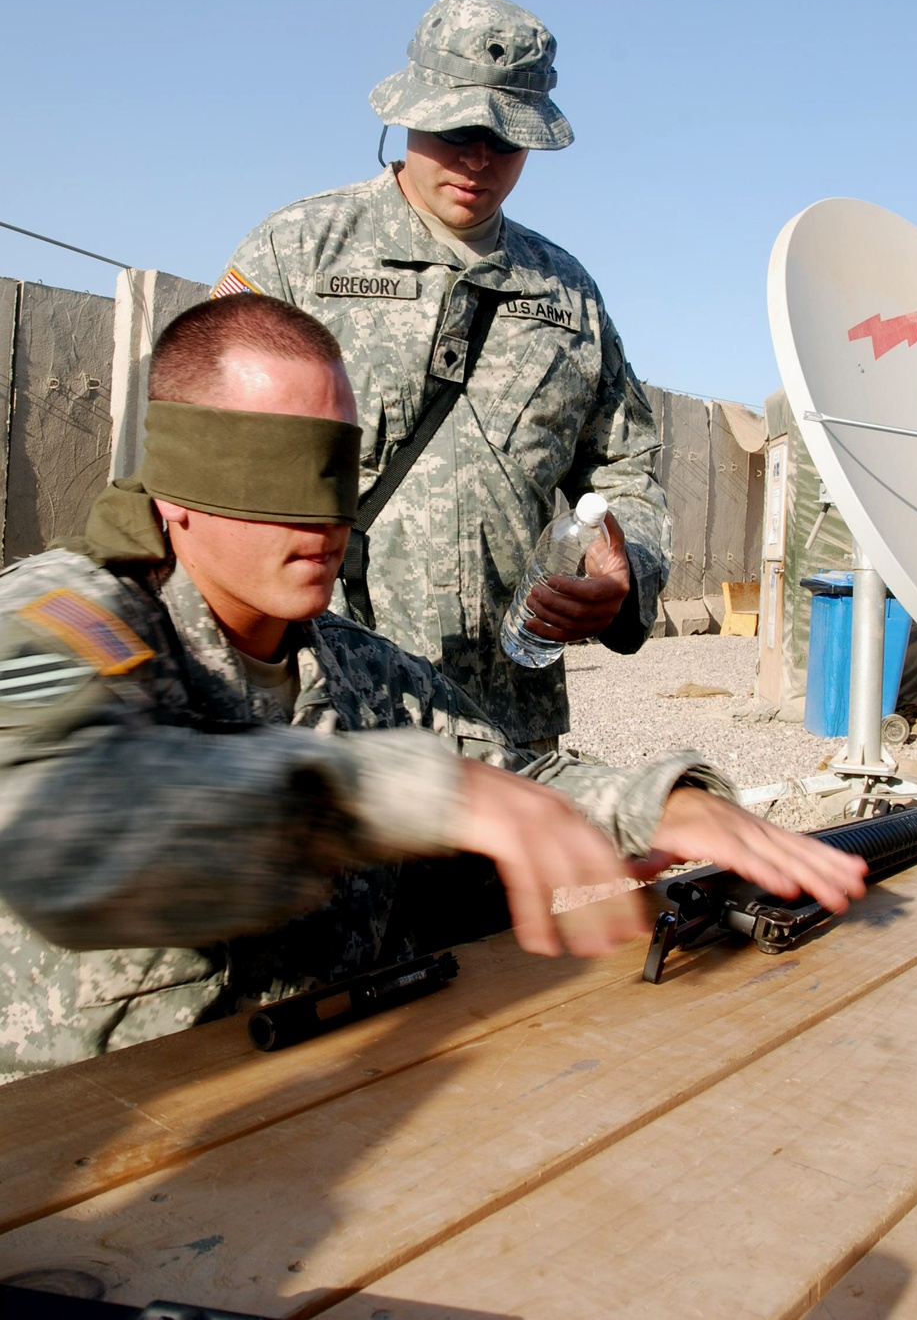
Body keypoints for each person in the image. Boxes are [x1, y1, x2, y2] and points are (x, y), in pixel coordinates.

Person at [0, 296, 866, 1081]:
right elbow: (56, 833)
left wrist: (664, 805)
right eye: (274, 472)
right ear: (178, 483)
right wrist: (404, 793)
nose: (321, 519)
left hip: (344, 1106)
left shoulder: (351, 665)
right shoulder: (63, 620)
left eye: (337, 472)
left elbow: (510, 778)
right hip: (101, 1161)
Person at [214, 0, 672, 750]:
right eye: (457, 127)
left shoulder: (568, 294)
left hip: (506, 724)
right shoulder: (299, 254)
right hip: (327, 711)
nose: (478, 157)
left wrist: (626, 577)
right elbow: (209, 455)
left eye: (507, 138)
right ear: (409, 113)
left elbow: (628, 467)